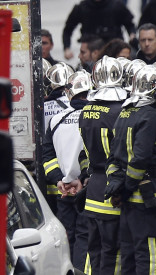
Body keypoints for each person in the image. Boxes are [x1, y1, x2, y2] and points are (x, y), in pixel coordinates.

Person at [105, 65, 156, 275]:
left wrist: (118, 189)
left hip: (128, 204)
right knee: (152, 256)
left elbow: (113, 158)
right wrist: (127, 188)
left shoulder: (124, 113)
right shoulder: (150, 115)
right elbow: (140, 159)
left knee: (129, 256)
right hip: (148, 199)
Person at [79, 56, 128, 274]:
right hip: (112, 188)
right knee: (112, 250)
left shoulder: (86, 110)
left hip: (93, 188)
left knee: (93, 248)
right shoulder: (119, 111)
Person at [42, 71, 90, 271]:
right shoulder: (94, 117)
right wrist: (83, 179)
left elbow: (47, 156)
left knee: (66, 237)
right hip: (86, 190)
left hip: (63, 191)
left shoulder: (57, 119)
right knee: (84, 238)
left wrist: (59, 180)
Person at [62, 0, 136, 60]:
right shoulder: (81, 7)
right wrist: (67, 48)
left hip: (113, 49)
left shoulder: (117, 6)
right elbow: (68, 30)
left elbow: (130, 24)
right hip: (91, 51)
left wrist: (132, 34)